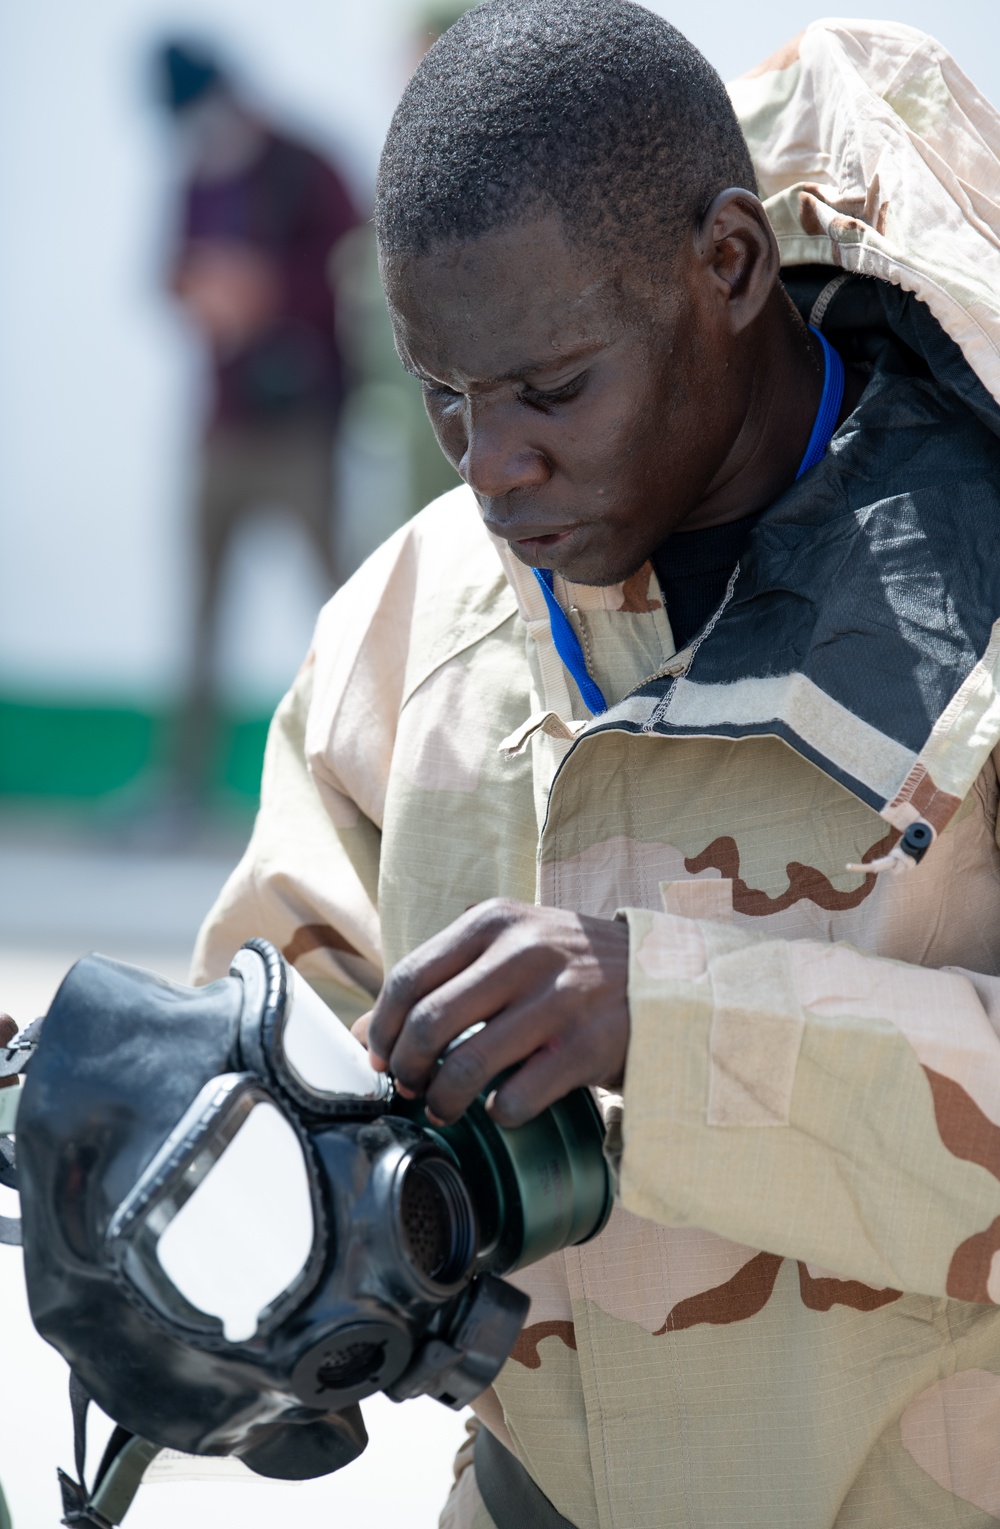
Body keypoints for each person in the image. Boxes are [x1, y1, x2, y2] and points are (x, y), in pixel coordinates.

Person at [193, 3, 1000, 1524]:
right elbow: (282, 1038)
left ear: (731, 268)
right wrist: (168, 1146)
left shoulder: (982, 617)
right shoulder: (409, 615)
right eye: (447, 395)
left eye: (553, 389)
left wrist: (666, 1020)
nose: (493, 468)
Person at [155, 41, 359, 811]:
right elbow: (168, 268)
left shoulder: (305, 166)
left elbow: (356, 265)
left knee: (342, 606)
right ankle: (184, 786)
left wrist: (265, 290)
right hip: (222, 425)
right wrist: (203, 291)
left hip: (303, 427)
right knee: (200, 610)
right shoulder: (195, 176)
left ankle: (364, 771)